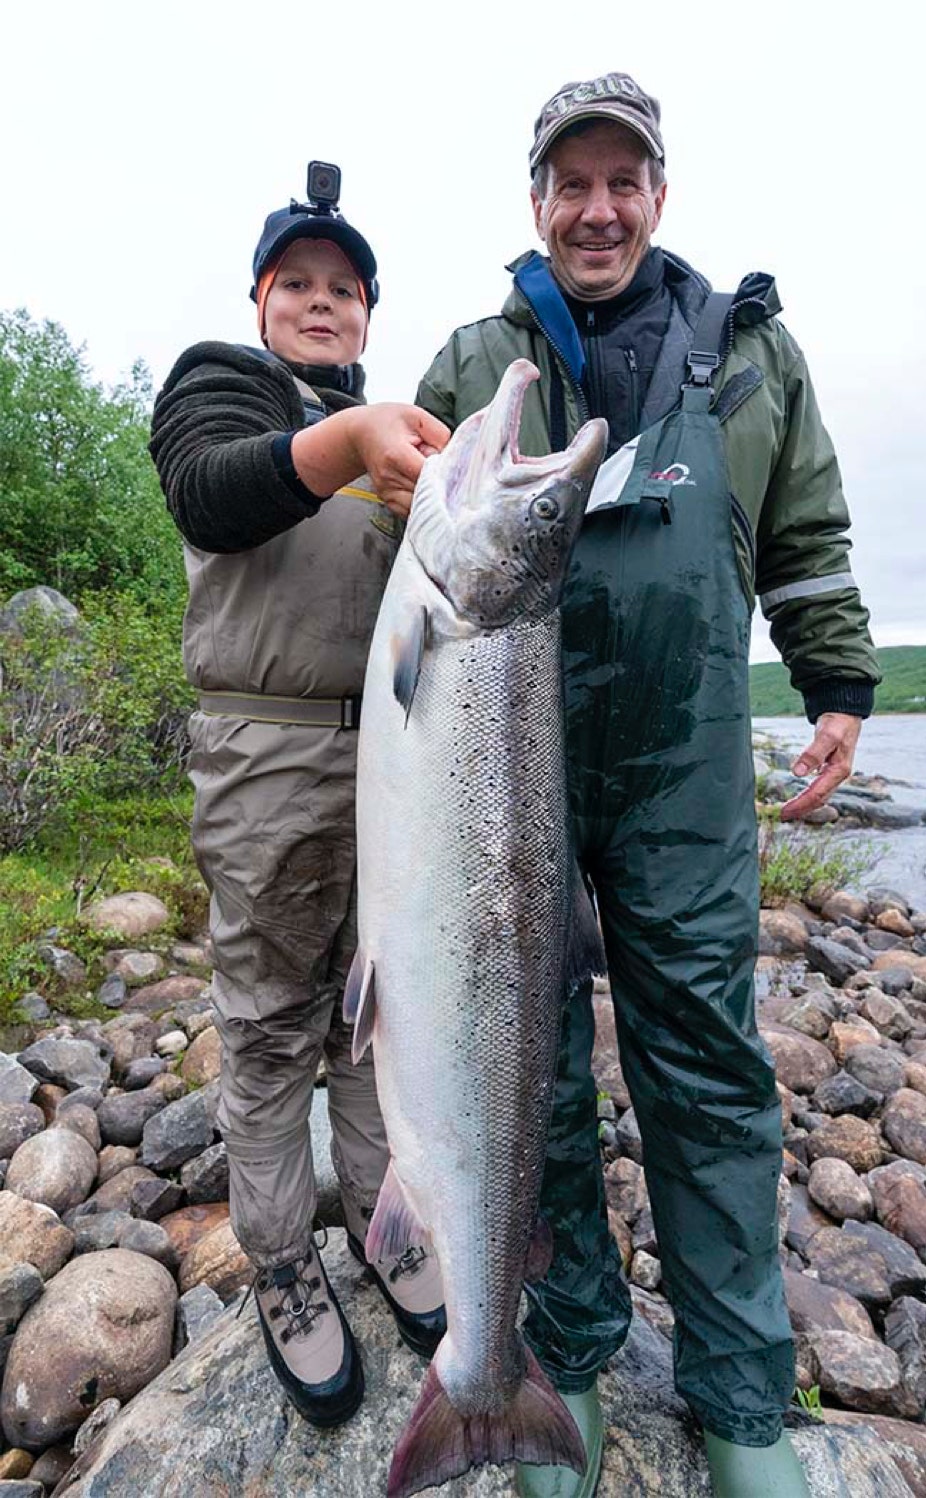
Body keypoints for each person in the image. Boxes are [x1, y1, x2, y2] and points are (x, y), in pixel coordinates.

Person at [416, 74, 880, 1498]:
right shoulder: (471, 358)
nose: (597, 207)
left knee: (711, 1075)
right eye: (571, 182)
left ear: (658, 196)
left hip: (682, 766)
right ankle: (552, 1365)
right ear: (537, 200)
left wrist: (840, 684)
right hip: (504, 779)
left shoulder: (750, 354)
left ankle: (742, 1397)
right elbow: (410, 571)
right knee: (524, 1076)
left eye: (623, 181)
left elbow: (804, 536)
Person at [149, 167, 450, 1429]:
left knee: (374, 1017)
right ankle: (280, 1261)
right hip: (266, 758)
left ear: (369, 314)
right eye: (300, 285)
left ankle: (390, 1227)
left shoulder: (406, 441)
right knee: (273, 1031)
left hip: (395, 764)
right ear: (261, 299)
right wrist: (344, 444)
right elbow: (209, 495)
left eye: (345, 289)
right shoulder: (219, 383)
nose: (321, 304)